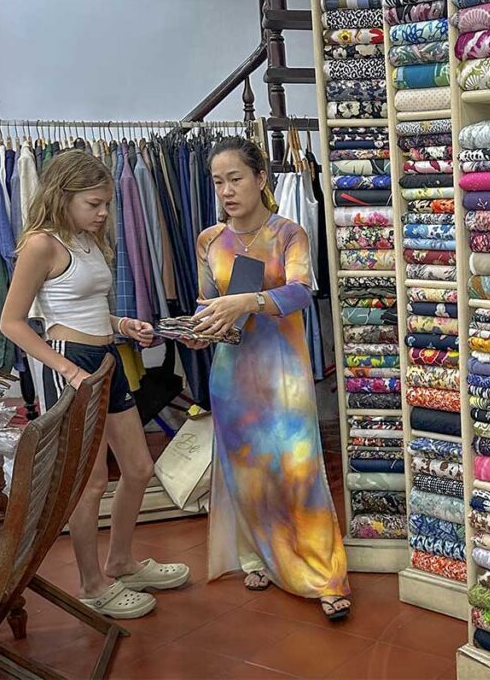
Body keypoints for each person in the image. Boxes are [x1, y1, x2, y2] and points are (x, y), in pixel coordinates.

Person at [0, 150, 189, 619]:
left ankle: (121, 560)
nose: (104, 212)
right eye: (94, 203)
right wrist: (68, 372)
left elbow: (84, 307)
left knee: (139, 468)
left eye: (106, 202)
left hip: (103, 357)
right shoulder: (41, 245)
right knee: (90, 481)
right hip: (69, 362)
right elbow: (13, 323)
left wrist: (123, 324)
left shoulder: (86, 239)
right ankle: (91, 584)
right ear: (62, 197)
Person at [180, 136, 351, 620]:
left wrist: (249, 301)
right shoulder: (209, 240)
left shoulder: (288, 234)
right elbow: (205, 303)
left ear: (260, 179)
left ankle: (325, 576)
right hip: (232, 374)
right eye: (218, 182)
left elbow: (299, 292)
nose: (227, 190)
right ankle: (255, 555)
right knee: (249, 474)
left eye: (235, 178)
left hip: (284, 374)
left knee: (299, 472)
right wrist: (198, 330)